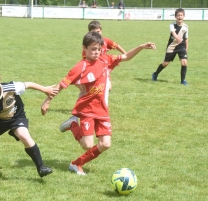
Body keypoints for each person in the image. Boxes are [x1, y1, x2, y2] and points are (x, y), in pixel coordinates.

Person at [41, 31, 156, 175]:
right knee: (87, 145)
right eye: (93, 49)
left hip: (102, 110)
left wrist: (140, 46)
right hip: (87, 110)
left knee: (106, 144)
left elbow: (126, 56)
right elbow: (62, 84)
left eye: (99, 49)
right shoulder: (81, 66)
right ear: (85, 48)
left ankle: (77, 164)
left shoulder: (105, 60)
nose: (96, 52)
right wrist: (47, 101)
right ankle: (73, 125)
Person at [82, 20, 126, 91]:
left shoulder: (106, 41)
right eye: (94, 32)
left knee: (108, 88)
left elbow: (116, 45)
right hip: (93, 68)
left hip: (104, 67)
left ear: (101, 31)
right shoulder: (89, 45)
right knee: (96, 88)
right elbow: (85, 59)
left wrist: (125, 53)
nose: (97, 34)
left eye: (98, 31)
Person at [152, 8, 189, 85]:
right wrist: (177, 37)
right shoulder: (172, 25)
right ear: (175, 17)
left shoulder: (186, 27)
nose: (180, 17)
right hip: (172, 46)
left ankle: (183, 81)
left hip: (181, 46)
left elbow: (186, 38)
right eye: (178, 15)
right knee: (165, 63)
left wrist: (186, 48)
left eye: (181, 15)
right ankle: (155, 73)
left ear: (184, 16)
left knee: (184, 62)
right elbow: (173, 32)